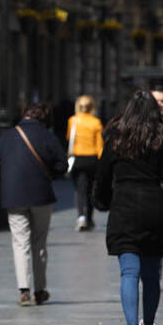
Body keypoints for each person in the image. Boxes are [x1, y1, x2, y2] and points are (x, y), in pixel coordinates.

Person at [92, 89, 163, 325]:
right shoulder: (160, 137)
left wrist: (103, 201)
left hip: (124, 208)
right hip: (154, 207)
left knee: (129, 272)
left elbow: (102, 174)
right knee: (152, 275)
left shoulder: (116, 138)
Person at [0, 103, 68, 307]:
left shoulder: (8, 136)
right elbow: (62, 164)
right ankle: (40, 291)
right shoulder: (47, 136)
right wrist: (50, 173)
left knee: (20, 241)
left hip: (13, 196)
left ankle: (24, 290)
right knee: (39, 242)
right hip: (41, 195)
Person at [66, 95, 104, 231]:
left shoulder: (73, 121)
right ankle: (90, 218)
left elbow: (69, 137)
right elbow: (99, 144)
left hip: (78, 158)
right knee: (90, 190)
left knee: (79, 189)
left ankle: (81, 217)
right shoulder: (96, 122)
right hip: (92, 158)